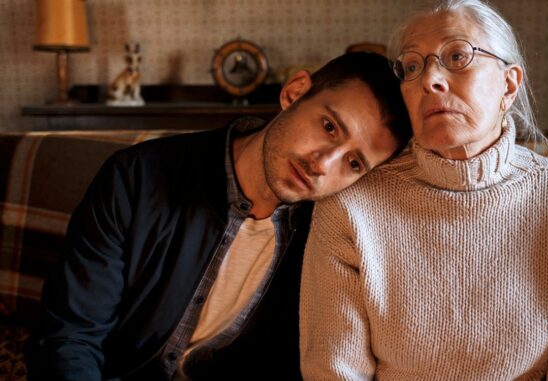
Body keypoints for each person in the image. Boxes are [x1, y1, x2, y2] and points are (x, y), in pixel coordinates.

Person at [26, 52, 411, 380]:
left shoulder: (330, 235)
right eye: (328, 126)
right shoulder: (137, 177)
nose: (323, 165)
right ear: (294, 92)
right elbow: (69, 336)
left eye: (354, 162)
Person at [299, 1, 548, 380]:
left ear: (508, 84)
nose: (429, 80)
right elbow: (333, 371)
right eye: (411, 66)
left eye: (457, 56)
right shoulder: (351, 205)